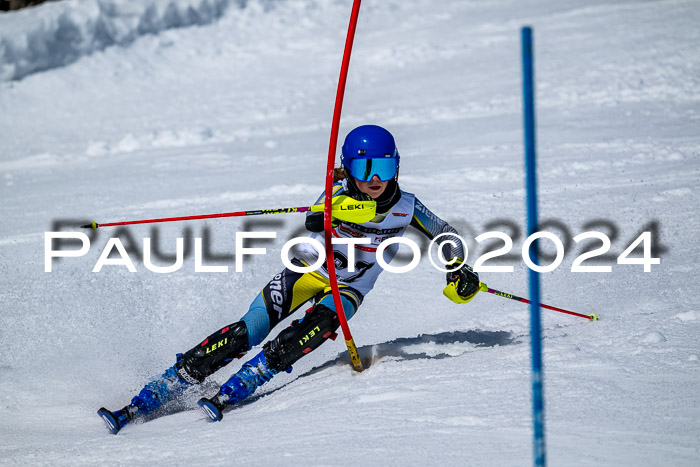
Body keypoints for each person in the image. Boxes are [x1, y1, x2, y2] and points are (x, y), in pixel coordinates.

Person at [97, 125, 482, 434]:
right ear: (348, 169)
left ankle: (255, 374)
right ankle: (169, 384)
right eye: (365, 169)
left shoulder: (406, 207)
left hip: (348, 287)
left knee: (320, 324)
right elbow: (318, 214)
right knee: (247, 331)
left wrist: (456, 266)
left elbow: (444, 232)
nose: (375, 179)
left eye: (383, 168)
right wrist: (326, 213)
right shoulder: (336, 192)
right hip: (306, 273)